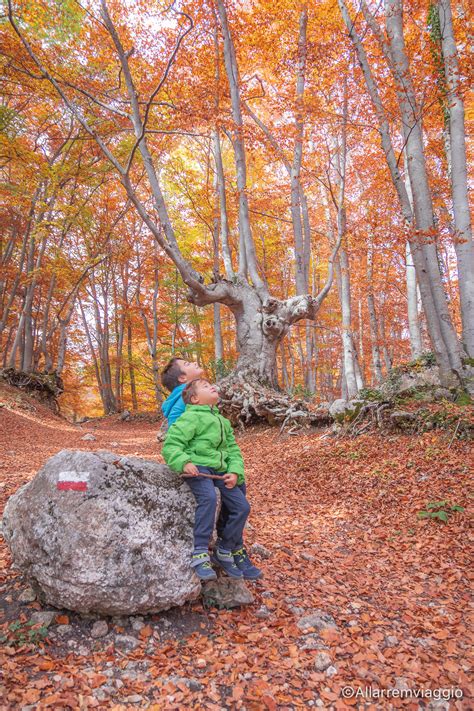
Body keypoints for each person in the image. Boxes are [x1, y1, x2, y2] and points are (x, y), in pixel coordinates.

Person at [161, 377, 262, 581]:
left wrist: (234, 472)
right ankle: (200, 551)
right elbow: (171, 445)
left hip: (220, 470)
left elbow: (233, 450)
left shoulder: (222, 421)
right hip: (198, 467)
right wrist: (184, 462)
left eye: (211, 385)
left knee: (242, 506)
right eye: (206, 387)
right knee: (208, 498)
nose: (212, 386)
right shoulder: (190, 418)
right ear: (196, 399)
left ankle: (226, 548)